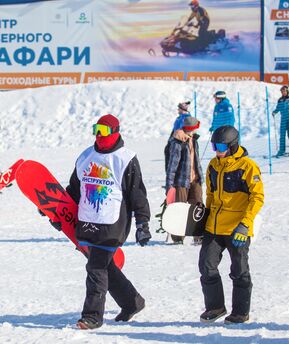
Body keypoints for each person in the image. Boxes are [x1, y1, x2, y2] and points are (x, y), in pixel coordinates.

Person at [65, 114, 151, 330]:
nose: (99, 135)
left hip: (112, 224)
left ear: (115, 132)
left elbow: (137, 194)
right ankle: (132, 302)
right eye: (96, 129)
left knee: (95, 268)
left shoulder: (125, 158)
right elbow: (74, 189)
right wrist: (57, 208)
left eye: (104, 130)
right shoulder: (86, 156)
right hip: (87, 221)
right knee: (105, 267)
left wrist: (143, 224)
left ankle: (92, 316)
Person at [199, 126, 264, 324]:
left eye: (220, 146)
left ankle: (240, 312)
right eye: (214, 146)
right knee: (206, 266)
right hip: (214, 227)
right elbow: (210, 195)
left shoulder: (247, 167)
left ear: (233, 145)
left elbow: (257, 197)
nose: (217, 151)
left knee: (239, 270)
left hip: (237, 229)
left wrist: (245, 225)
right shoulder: (213, 165)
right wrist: (204, 219)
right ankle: (216, 307)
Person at [166, 116, 203, 245]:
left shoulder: (194, 140)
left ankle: (198, 236)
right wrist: (170, 184)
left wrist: (200, 176)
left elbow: (196, 160)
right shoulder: (177, 143)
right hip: (181, 181)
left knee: (197, 207)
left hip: (195, 179)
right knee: (180, 209)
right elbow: (172, 165)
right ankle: (177, 238)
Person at [272, 85, 289, 157]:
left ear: (287, 91)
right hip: (283, 119)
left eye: (284, 91)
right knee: (282, 135)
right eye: (282, 91)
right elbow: (278, 108)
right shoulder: (280, 100)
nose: (283, 93)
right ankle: (282, 150)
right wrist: (275, 112)